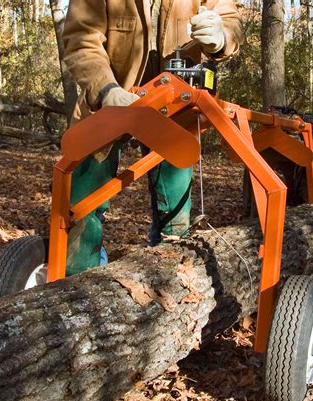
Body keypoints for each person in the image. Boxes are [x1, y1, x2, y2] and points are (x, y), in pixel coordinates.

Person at [62, 0, 243, 276]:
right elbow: (81, 38)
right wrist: (107, 91)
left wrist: (222, 35)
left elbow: (230, 19)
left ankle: (170, 287)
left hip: (175, 114)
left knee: (175, 221)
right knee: (81, 213)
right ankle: (77, 288)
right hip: (107, 105)